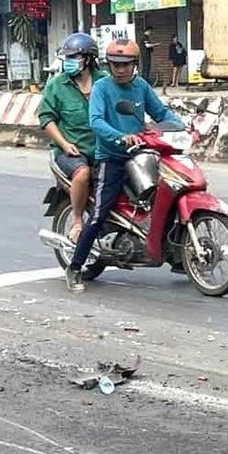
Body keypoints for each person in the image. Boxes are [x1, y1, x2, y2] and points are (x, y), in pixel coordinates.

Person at [64, 37, 180, 293]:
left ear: (135, 64)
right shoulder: (102, 88)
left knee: (166, 195)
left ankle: (176, 254)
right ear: (109, 64)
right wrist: (119, 136)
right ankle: (75, 267)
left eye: (126, 64)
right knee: (98, 215)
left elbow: (161, 113)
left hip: (142, 154)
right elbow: (95, 121)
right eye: (116, 64)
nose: (121, 69)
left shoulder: (141, 87)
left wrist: (183, 126)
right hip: (112, 157)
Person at [37, 32, 104, 243]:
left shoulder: (105, 82)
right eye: (67, 58)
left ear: (89, 59)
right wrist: (64, 144)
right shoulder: (57, 85)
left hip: (103, 149)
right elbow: (46, 118)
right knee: (82, 172)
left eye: (74, 58)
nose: (70, 62)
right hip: (71, 151)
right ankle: (77, 221)